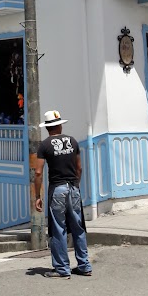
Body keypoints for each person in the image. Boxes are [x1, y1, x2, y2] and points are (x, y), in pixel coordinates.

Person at [34, 109, 92, 279]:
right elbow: (79, 167)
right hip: (73, 187)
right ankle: (84, 266)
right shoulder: (72, 141)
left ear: (47, 127)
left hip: (57, 189)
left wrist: (38, 196)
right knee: (78, 227)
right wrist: (75, 185)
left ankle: (62, 269)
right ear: (59, 125)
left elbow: (38, 172)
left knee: (58, 229)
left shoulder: (44, 146)